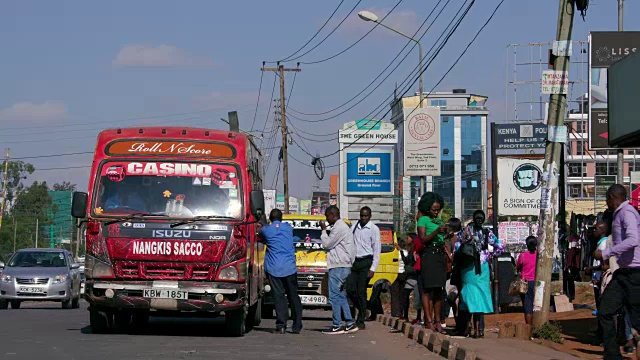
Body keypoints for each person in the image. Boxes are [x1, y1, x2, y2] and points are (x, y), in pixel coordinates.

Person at [595, 184, 640, 359]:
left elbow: (633, 240)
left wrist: (606, 253)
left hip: (634, 274)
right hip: (623, 273)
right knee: (605, 311)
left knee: (636, 318)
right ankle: (612, 355)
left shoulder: (627, 212)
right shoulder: (620, 214)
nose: (606, 203)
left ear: (613, 197)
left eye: (607, 199)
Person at [459, 210, 504, 338]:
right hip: (482, 268)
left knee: (468, 295)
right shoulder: (487, 233)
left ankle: (468, 327)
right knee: (481, 296)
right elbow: (500, 247)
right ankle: (480, 329)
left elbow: (458, 247)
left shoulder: (466, 231)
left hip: (468, 267)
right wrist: (489, 255)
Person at [258, 209, 302, 334]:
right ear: (282, 218)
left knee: (279, 297)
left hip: (274, 268)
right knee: (293, 296)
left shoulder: (266, 230)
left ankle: (281, 325)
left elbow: (261, 234)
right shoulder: (288, 228)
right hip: (289, 268)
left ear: (270, 219)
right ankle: (297, 325)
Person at [320, 205, 358, 334]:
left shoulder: (339, 227)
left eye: (327, 216)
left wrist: (323, 230)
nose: (327, 219)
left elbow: (327, 244)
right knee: (341, 295)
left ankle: (337, 324)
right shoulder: (342, 227)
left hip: (338, 265)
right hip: (343, 264)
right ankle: (349, 322)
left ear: (332, 215)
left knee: (334, 296)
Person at [416, 192, 448, 333]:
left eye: (438, 210)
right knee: (427, 289)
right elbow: (423, 239)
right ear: (428, 208)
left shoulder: (439, 222)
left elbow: (441, 239)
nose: (436, 212)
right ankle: (428, 320)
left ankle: (437, 320)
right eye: (434, 210)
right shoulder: (423, 220)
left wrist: (447, 234)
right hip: (428, 255)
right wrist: (436, 232)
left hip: (439, 256)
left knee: (438, 289)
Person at [347, 206, 381, 330]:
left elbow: (377, 250)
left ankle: (361, 319)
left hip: (366, 262)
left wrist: (373, 268)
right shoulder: (355, 227)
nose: (363, 218)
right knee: (350, 289)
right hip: (354, 262)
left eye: (366, 216)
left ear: (370, 216)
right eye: (361, 216)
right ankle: (363, 309)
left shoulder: (374, 229)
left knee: (361, 291)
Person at [517, 235, 537, 325]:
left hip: (525, 283)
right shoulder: (539, 255)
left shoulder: (523, 256)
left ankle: (528, 326)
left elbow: (518, 267)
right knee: (537, 303)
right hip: (537, 282)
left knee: (527, 305)